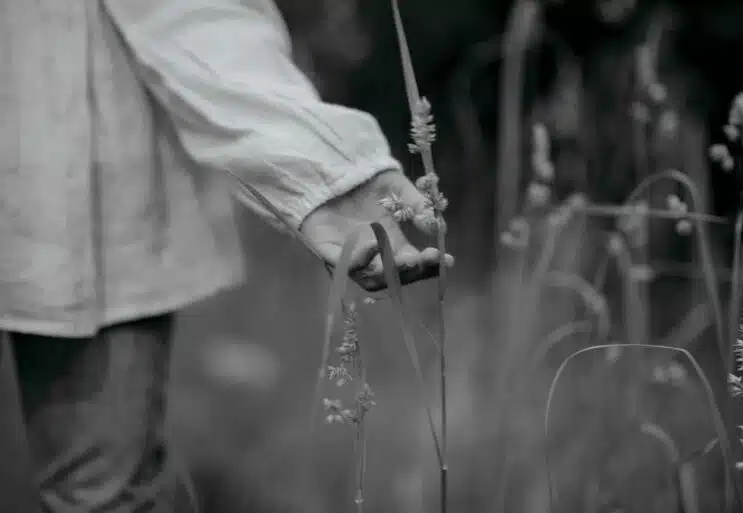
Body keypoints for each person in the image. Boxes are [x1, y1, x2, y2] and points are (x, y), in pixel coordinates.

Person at [0, 0, 453, 511]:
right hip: (68, 183)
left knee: (98, 493)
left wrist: (321, 167)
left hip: (77, 189)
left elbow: (194, 13)